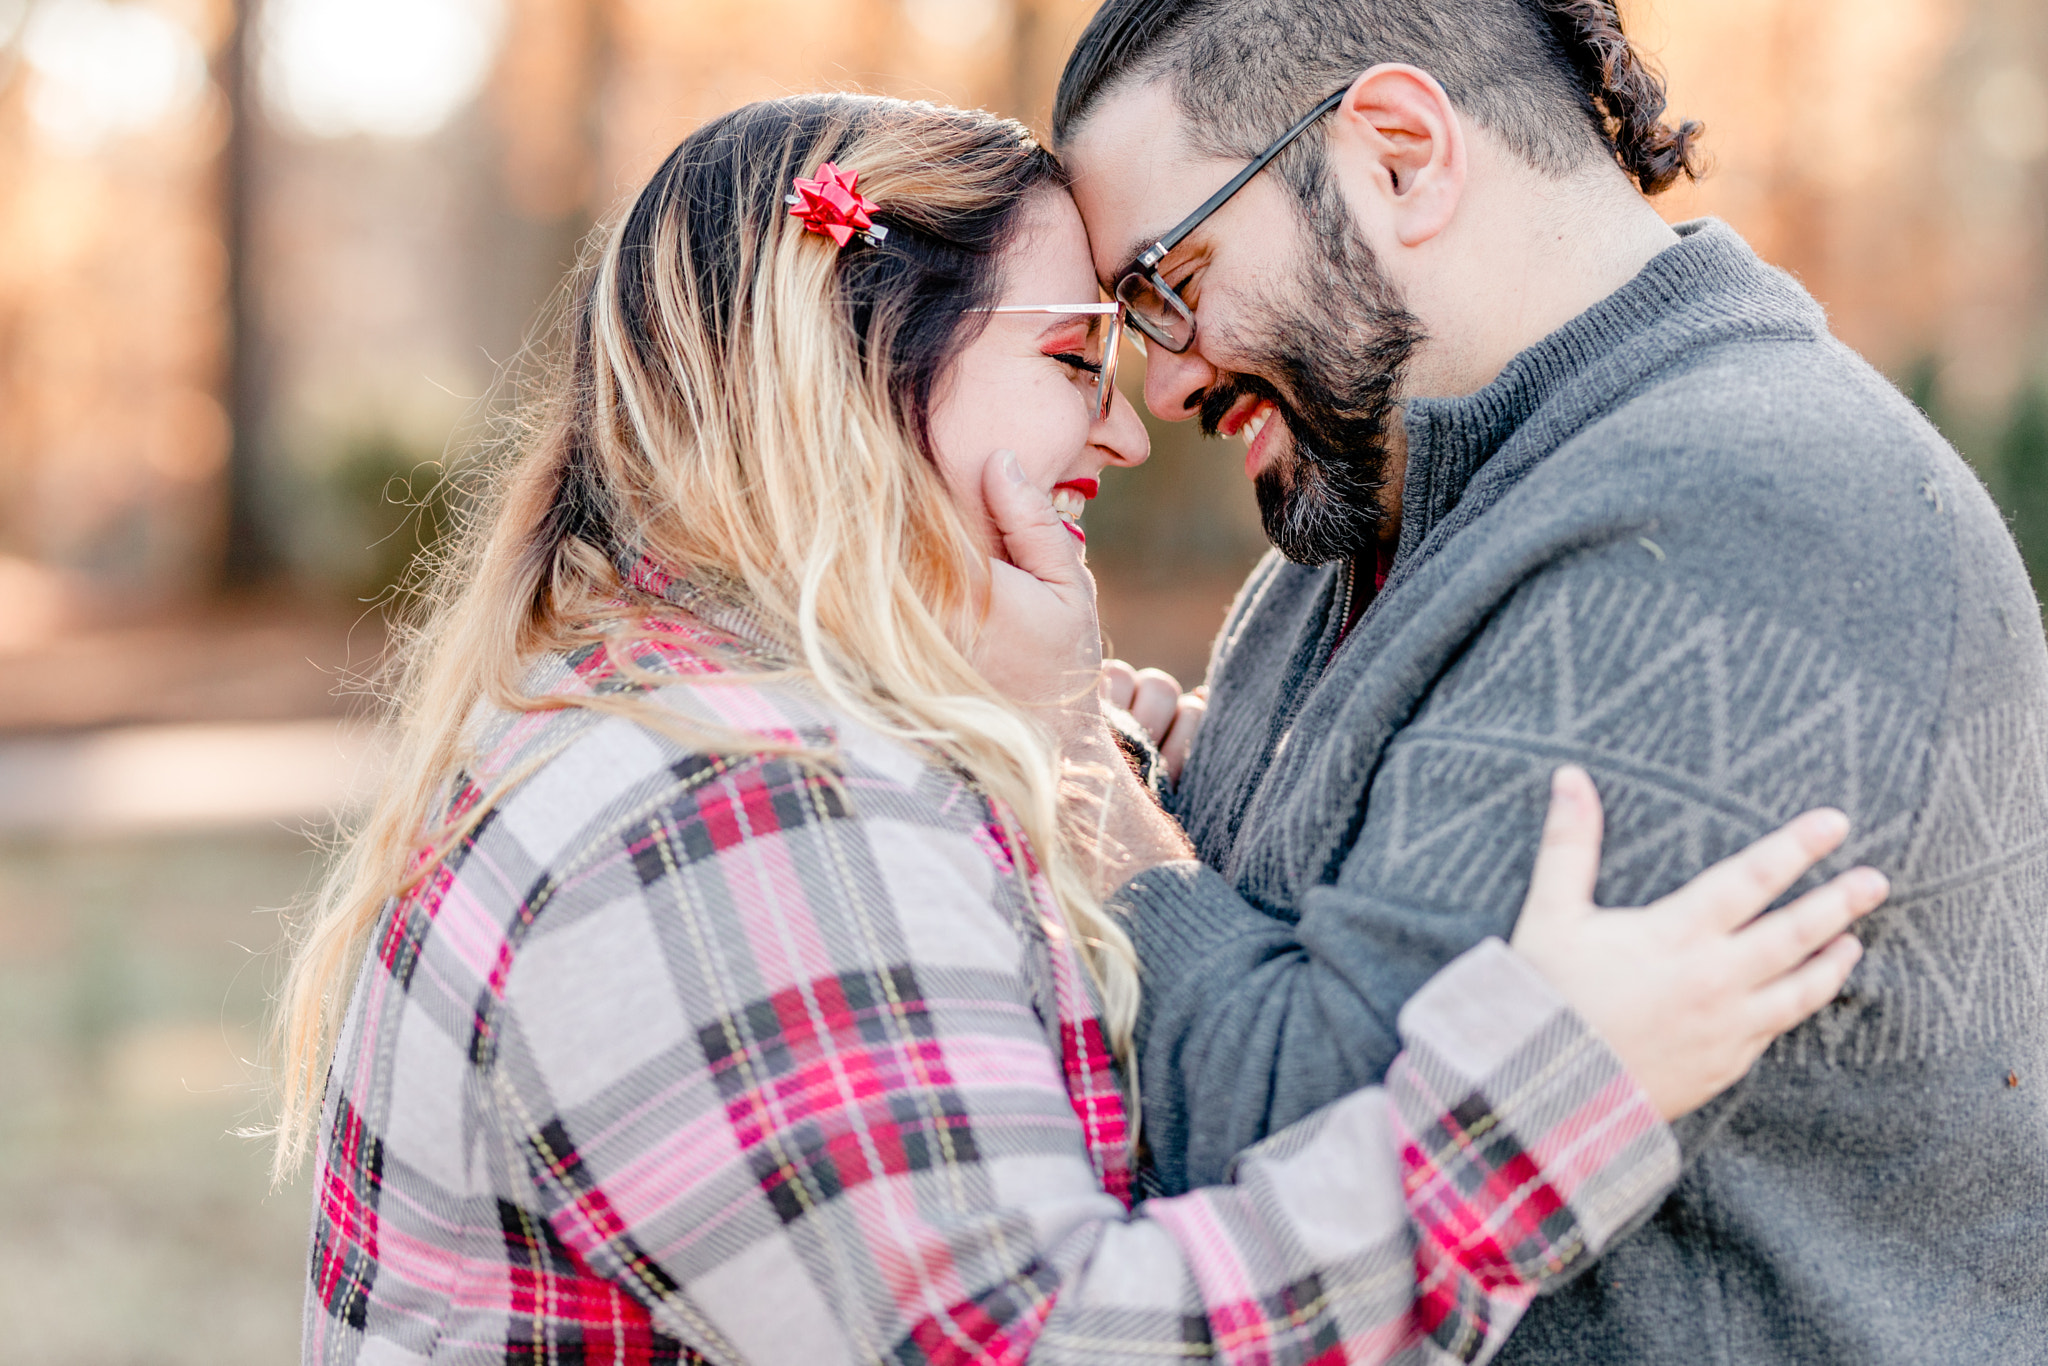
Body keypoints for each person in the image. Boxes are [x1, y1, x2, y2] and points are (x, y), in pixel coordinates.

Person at [269, 95, 1883, 1366]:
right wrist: (1550, 1099)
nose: (1125, 420)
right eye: (1070, 360)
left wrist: (1054, 773)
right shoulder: (724, 811)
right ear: (848, 378)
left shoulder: (714, 733)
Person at [1002, 1, 2048, 1362]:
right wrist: (1163, 796)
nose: (1164, 375)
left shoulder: (1742, 511)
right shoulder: (1374, 513)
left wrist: (1080, 790)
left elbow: (1298, 1151)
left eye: (1168, 284)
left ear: (1395, 153)